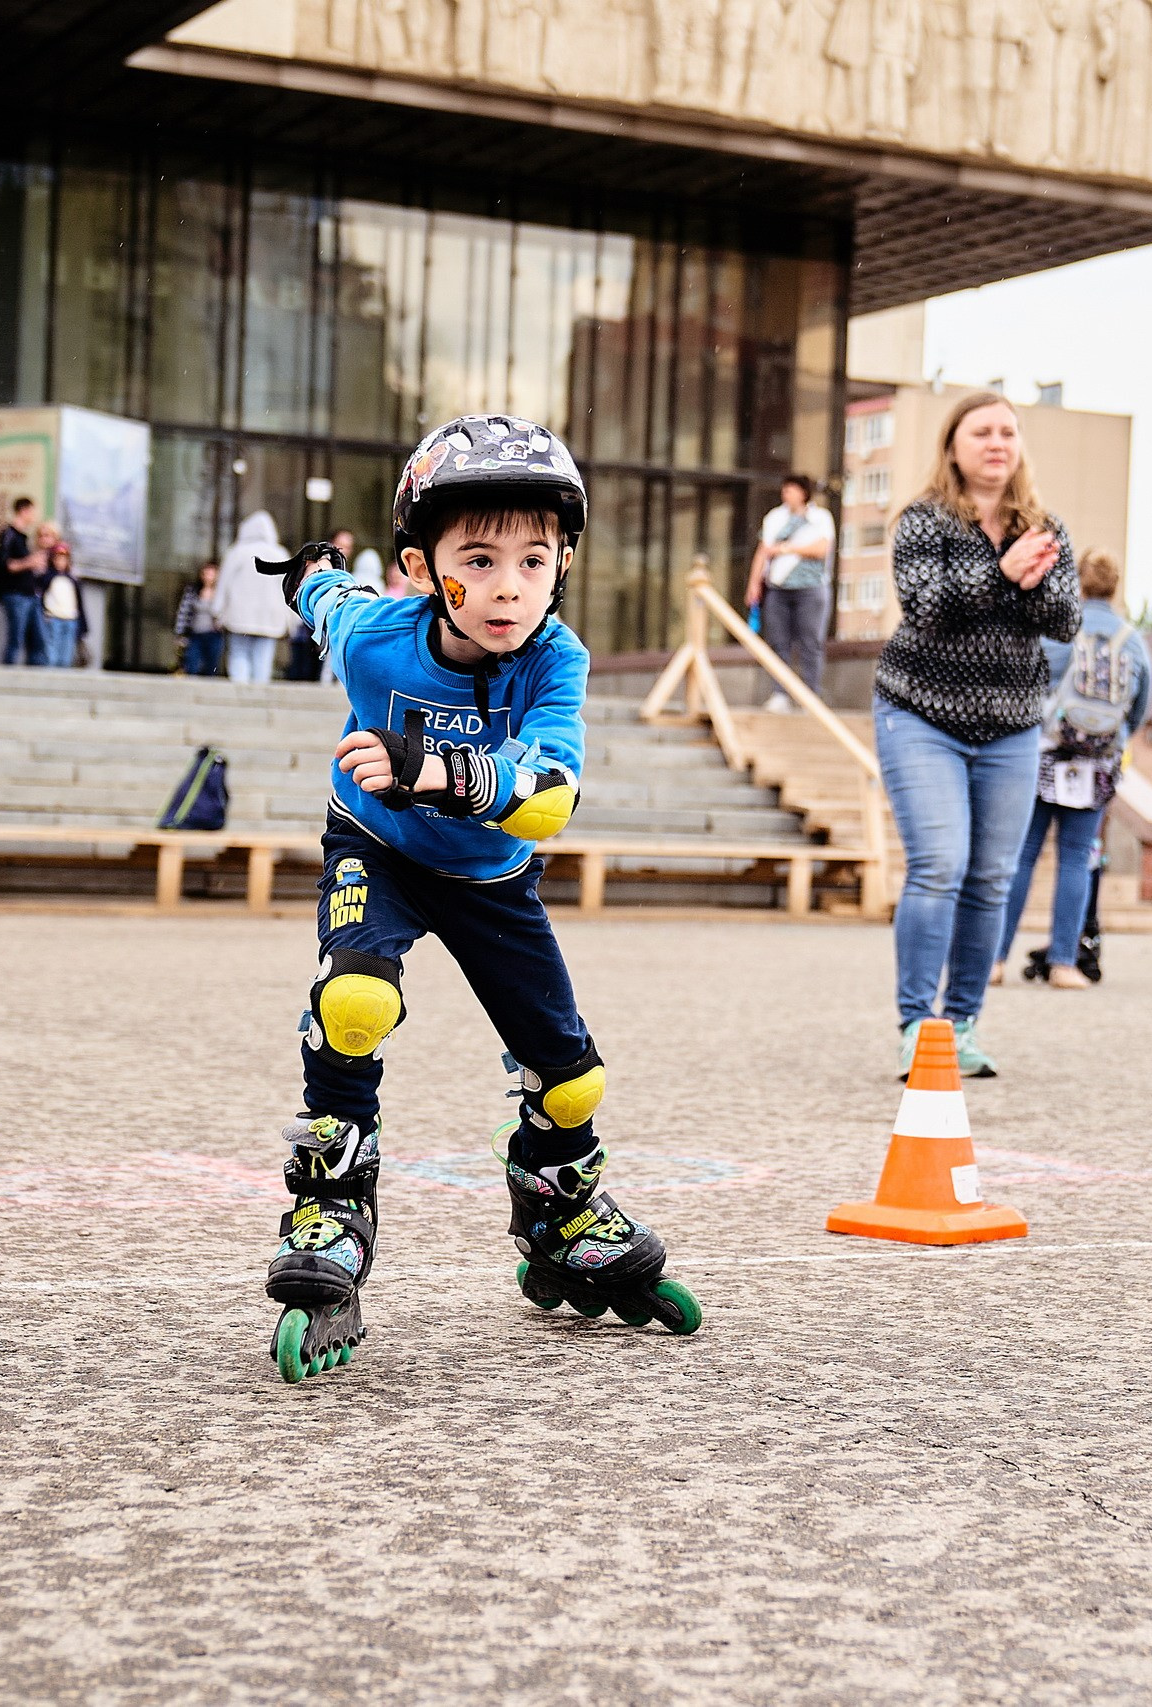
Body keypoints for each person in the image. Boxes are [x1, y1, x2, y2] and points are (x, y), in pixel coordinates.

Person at [253, 411, 699, 1382]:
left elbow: (550, 797)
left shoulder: (555, 662)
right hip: (376, 846)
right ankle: (330, 1204)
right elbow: (331, 601)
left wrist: (431, 767)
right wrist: (306, 576)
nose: (508, 588)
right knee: (355, 1001)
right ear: (421, 566)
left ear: (563, 565)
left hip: (493, 876)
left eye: (535, 562)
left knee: (571, 1075)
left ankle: (558, 1208)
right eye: (480, 559)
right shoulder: (377, 636)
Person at [874, 391, 1081, 1078]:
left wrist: (1022, 580)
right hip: (920, 715)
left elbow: (1065, 620)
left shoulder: (1045, 525)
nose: (997, 442)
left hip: (1013, 726)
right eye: (982, 431)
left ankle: (961, 1024)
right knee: (939, 864)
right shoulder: (924, 521)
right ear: (954, 446)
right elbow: (926, 610)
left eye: (1008, 432)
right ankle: (916, 1026)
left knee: (991, 878)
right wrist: (1004, 576)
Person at [994, 547, 1150, 988]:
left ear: (1078, 583)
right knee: (1076, 859)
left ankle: (996, 959)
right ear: (1116, 588)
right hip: (1097, 763)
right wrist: (1109, 738)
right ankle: (1063, 962)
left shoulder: (1061, 630)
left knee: (1023, 855)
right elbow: (1139, 707)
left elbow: (1027, 679)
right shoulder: (1132, 640)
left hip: (1048, 754)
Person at [745, 473, 837, 708]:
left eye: (791, 490)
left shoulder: (820, 517)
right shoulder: (774, 518)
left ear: (803, 492)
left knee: (810, 642)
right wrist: (754, 584)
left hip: (811, 589)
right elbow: (763, 551)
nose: (786, 494)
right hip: (778, 589)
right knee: (778, 642)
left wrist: (786, 548)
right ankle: (780, 694)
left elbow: (821, 549)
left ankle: (810, 694)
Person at [213, 511, 292, 683]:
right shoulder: (280, 554)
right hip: (270, 617)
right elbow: (288, 586)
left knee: (238, 655)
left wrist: (217, 609)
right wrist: (292, 618)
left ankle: (239, 691)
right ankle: (258, 693)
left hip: (239, 615)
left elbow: (223, 583)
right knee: (263, 659)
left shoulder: (237, 552)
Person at [0, 497, 44, 666]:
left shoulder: (23, 537)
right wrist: (30, 562)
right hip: (16, 594)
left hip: (30, 594)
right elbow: (6, 564)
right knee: (16, 639)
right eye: (32, 512)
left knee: (38, 640)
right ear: (24, 510)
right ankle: (8, 674)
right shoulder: (9, 534)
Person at [37, 541, 84, 667]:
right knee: (51, 653)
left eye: (63, 559)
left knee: (67, 655)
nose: (60, 562)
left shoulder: (72, 579)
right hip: (53, 618)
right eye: (57, 559)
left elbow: (79, 604)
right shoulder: (48, 577)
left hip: (70, 619)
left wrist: (82, 625)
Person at [177, 562, 226, 676]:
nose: (208, 577)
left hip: (213, 634)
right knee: (191, 665)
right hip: (195, 633)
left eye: (211, 574)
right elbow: (183, 612)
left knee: (211, 666)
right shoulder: (192, 591)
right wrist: (180, 633)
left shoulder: (220, 593)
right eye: (205, 574)